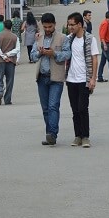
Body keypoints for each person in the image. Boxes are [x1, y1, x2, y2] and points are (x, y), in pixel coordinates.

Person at [32, 13, 70, 146]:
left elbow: (67, 54)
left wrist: (54, 53)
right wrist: (40, 53)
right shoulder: (39, 38)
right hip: (42, 78)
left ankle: (53, 134)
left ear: (55, 24)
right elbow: (33, 56)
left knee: (53, 106)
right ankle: (49, 134)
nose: (47, 29)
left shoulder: (62, 38)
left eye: (50, 26)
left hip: (56, 78)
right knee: (45, 108)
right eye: (45, 27)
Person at [65, 12, 99, 148]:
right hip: (71, 79)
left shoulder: (90, 39)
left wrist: (93, 79)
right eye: (69, 24)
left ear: (80, 24)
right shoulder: (69, 39)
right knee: (74, 109)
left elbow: (95, 58)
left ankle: (85, 136)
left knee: (82, 108)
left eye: (72, 24)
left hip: (84, 79)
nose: (70, 27)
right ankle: (77, 135)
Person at [0, 19, 20, 105]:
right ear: (11, 26)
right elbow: (17, 49)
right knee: (10, 80)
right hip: (11, 61)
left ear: (4, 26)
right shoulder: (15, 37)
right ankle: (7, 99)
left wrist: (3, 56)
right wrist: (8, 55)